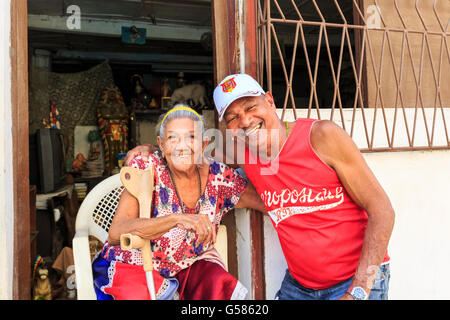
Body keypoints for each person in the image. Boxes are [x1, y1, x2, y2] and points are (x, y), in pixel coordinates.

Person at [125, 74, 395, 300]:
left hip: (354, 282)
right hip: (301, 287)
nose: (244, 121)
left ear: (269, 100)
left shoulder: (322, 136)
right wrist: (150, 148)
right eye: (232, 117)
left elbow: (382, 210)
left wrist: (359, 289)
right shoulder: (239, 149)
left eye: (251, 106)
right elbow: (189, 152)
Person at [92, 104, 266, 300]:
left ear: (203, 145)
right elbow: (117, 232)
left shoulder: (219, 177)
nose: (182, 146)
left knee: (217, 284)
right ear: (162, 144)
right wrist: (177, 219)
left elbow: (269, 201)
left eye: (191, 137)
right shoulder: (147, 169)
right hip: (134, 267)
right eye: (173, 138)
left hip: (185, 267)